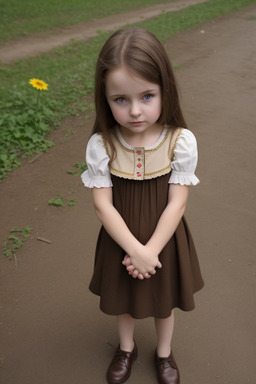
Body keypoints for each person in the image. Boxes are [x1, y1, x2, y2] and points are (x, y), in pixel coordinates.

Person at [81, 27, 204, 384]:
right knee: (124, 300)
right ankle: (126, 347)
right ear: (105, 97)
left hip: (164, 238)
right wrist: (134, 251)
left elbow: (177, 203)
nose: (135, 110)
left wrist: (150, 252)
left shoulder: (179, 142)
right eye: (120, 99)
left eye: (147, 95)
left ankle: (164, 353)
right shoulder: (102, 145)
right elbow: (103, 205)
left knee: (163, 302)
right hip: (121, 239)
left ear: (166, 88)